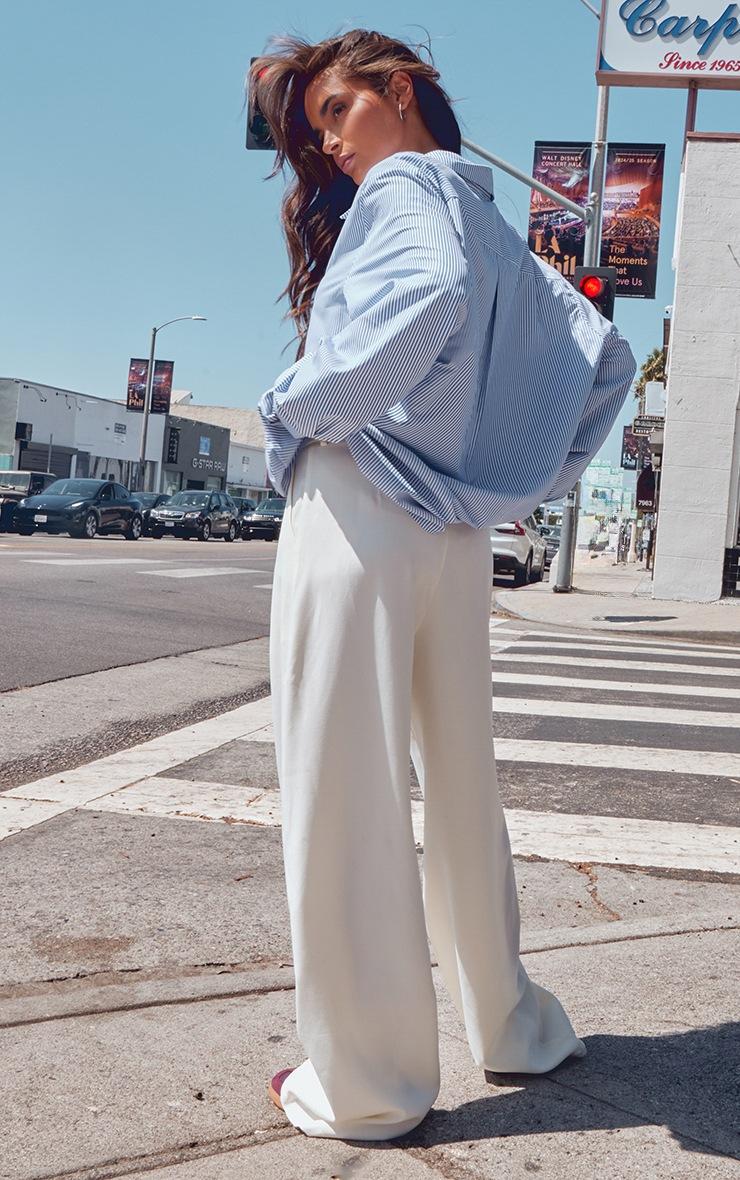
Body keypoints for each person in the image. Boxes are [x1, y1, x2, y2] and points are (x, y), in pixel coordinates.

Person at [249, 29, 636, 1141]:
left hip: (360, 505)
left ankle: (365, 1080)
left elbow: (416, 302)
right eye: (313, 127)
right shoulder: (485, 212)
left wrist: (296, 408)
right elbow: (600, 360)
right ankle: (510, 1022)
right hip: (449, 531)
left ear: (398, 89)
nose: (326, 143)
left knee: (343, 786)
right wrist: (507, 478)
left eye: (333, 110)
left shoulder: (406, 190)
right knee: (460, 784)